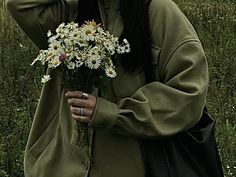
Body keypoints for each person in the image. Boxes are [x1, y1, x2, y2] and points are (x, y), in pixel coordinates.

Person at [6, 0, 209, 177]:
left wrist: (113, 113)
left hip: (130, 167)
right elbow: (19, 4)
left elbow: (189, 93)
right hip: (60, 166)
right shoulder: (71, 12)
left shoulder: (158, 11)